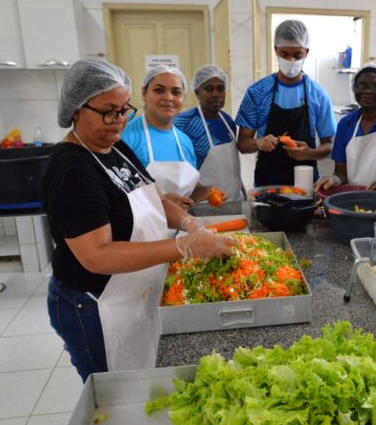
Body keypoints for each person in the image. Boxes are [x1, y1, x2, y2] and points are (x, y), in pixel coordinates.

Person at [42, 59, 235, 381]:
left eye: (122, 110)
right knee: (113, 395)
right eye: (108, 111)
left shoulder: (114, 147)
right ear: (76, 110)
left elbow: (155, 197)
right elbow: (96, 255)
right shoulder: (71, 169)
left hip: (133, 291)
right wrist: (184, 246)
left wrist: (191, 224)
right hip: (94, 304)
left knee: (139, 378)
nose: (118, 121)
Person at [236, 19, 337, 186]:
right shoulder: (257, 93)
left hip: (306, 185)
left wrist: (309, 153)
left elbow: (331, 145)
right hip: (267, 185)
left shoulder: (318, 95)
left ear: (306, 52)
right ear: (275, 50)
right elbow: (242, 144)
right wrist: (258, 142)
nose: (291, 60)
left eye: (297, 55)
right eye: (284, 54)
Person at [122, 65, 213, 209]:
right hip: (141, 228)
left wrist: (205, 192)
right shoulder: (125, 137)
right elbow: (117, 194)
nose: (168, 97)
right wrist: (161, 202)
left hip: (182, 227)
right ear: (144, 93)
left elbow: (186, 188)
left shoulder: (184, 141)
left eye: (176, 92)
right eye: (159, 90)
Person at [315, 63, 376, 192]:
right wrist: (334, 179)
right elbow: (341, 173)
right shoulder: (346, 124)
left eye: (374, 86)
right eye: (361, 85)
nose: (367, 91)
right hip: (354, 199)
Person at [174, 65, 244, 201]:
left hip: (233, 200)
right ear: (197, 92)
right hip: (202, 204)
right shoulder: (183, 123)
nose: (216, 94)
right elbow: (177, 171)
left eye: (220, 88)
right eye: (208, 89)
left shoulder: (228, 121)